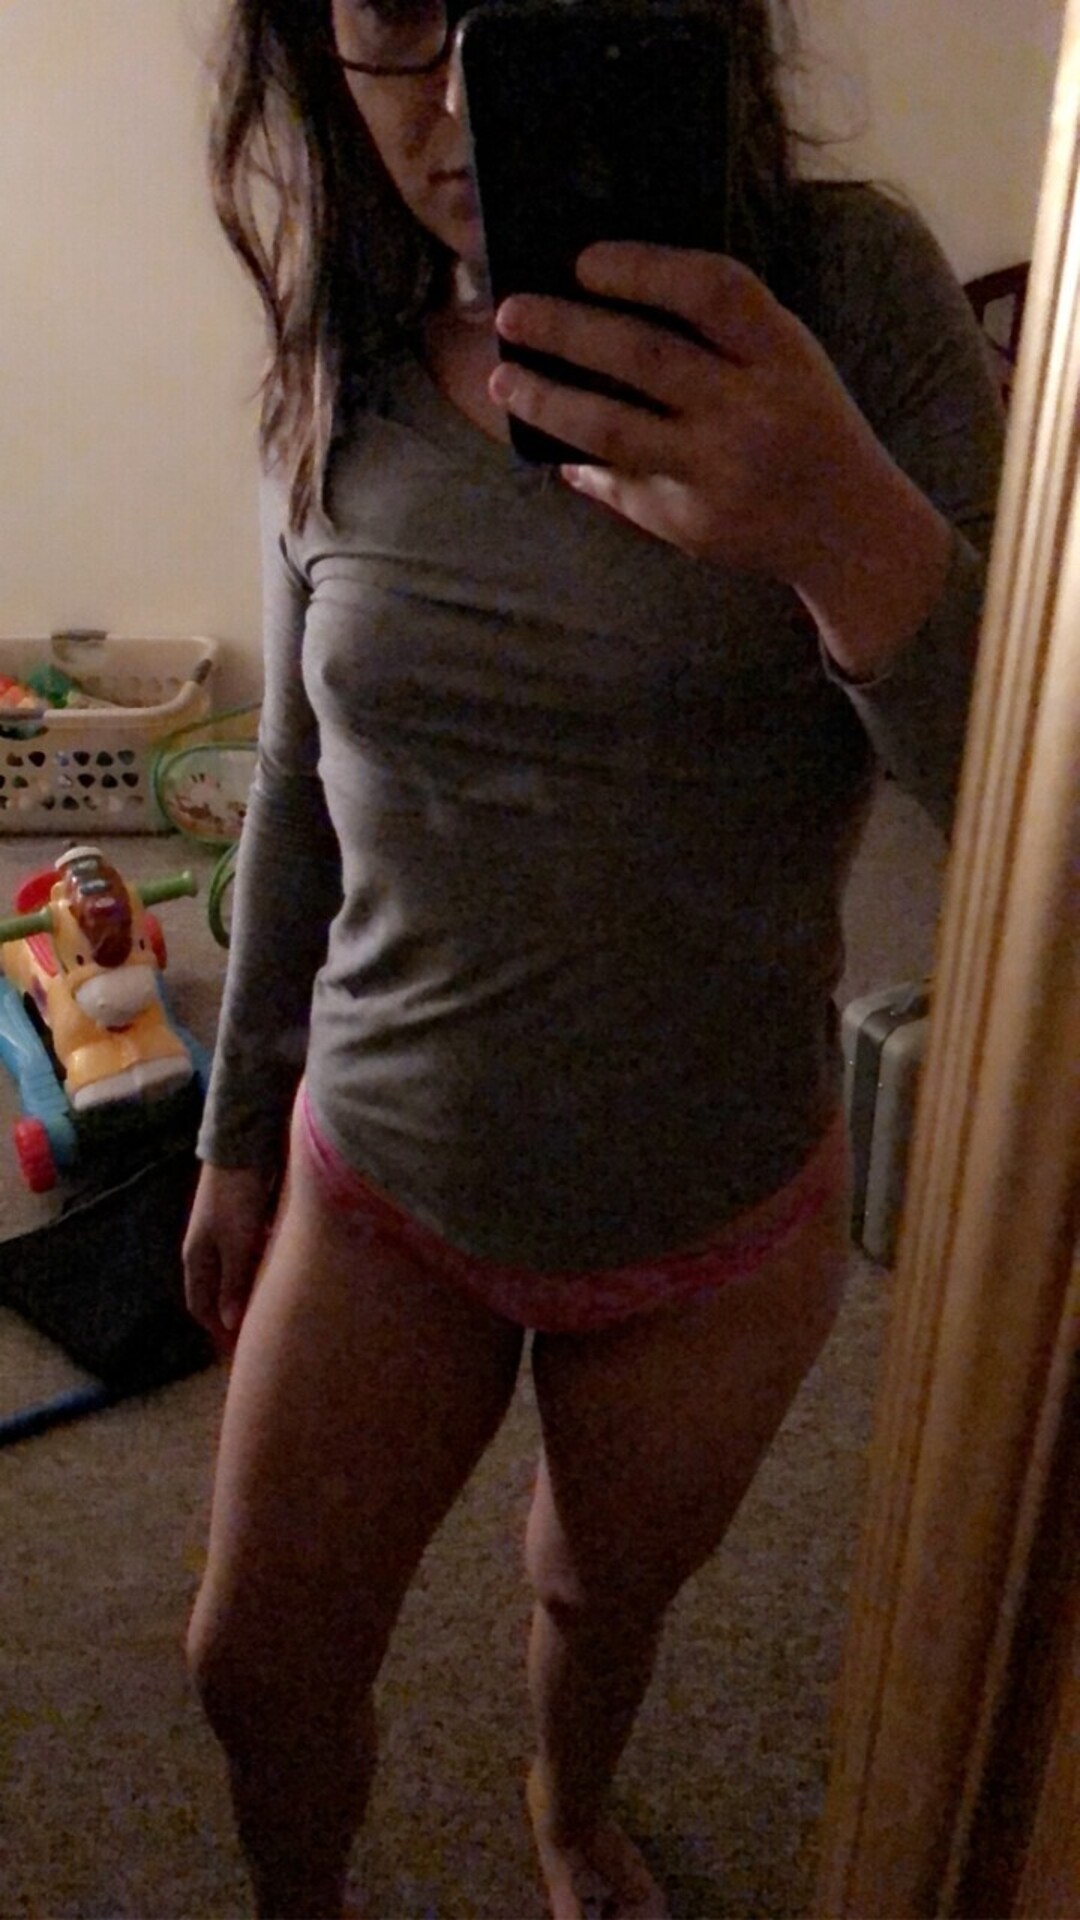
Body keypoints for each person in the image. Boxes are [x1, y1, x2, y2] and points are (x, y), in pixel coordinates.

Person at [182, 0, 1004, 1913]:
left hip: (708, 1200)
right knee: (252, 1666)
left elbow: (1020, 813)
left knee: (593, 1594)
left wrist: (835, 523)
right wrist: (231, 1132)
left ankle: (569, 1808)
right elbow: (298, 777)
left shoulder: (846, 298)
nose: (462, 90)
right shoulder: (342, 331)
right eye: (398, 5)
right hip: (383, 1171)